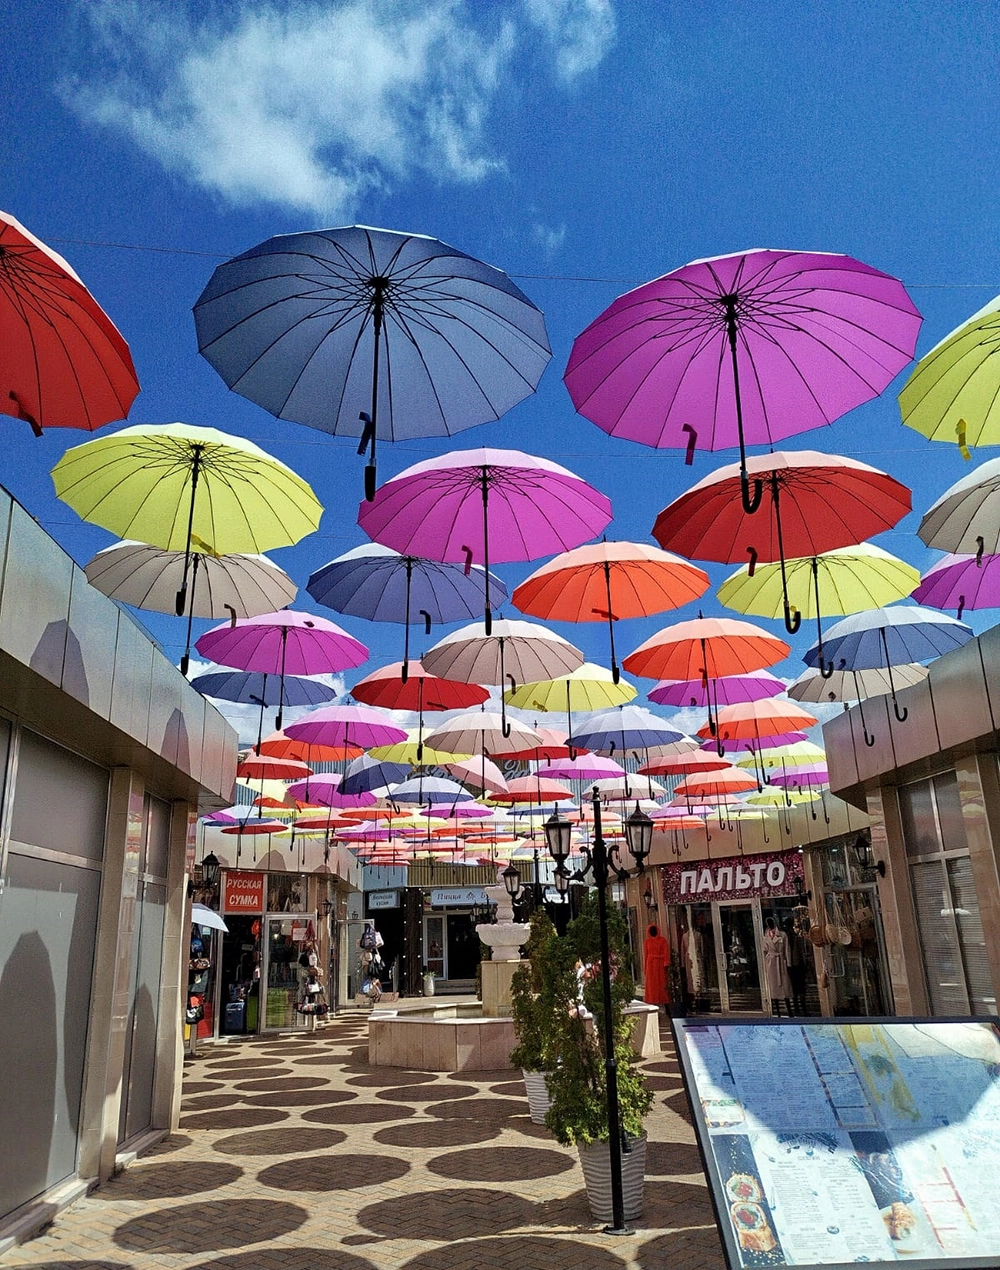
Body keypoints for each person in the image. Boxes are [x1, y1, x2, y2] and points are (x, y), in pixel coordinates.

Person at [763, 916, 793, 1016]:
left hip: (780, 962)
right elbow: (764, 951)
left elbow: (787, 949)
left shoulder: (782, 935)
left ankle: (789, 1011)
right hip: (771, 963)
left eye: (771, 922)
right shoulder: (765, 936)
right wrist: (765, 964)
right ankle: (777, 1012)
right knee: (773, 988)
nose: (770, 924)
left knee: (784, 987)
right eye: (768, 923)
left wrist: (788, 963)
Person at [643, 923, 671, 1011]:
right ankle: (652, 1000)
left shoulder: (663, 940)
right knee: (652, 984)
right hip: (650, 964)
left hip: (660, 964)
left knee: (662, 983)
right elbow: (646, 955)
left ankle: (663, 1000)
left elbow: (666, 951)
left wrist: (666, 962)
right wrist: (645, 968)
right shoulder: (647, 942)